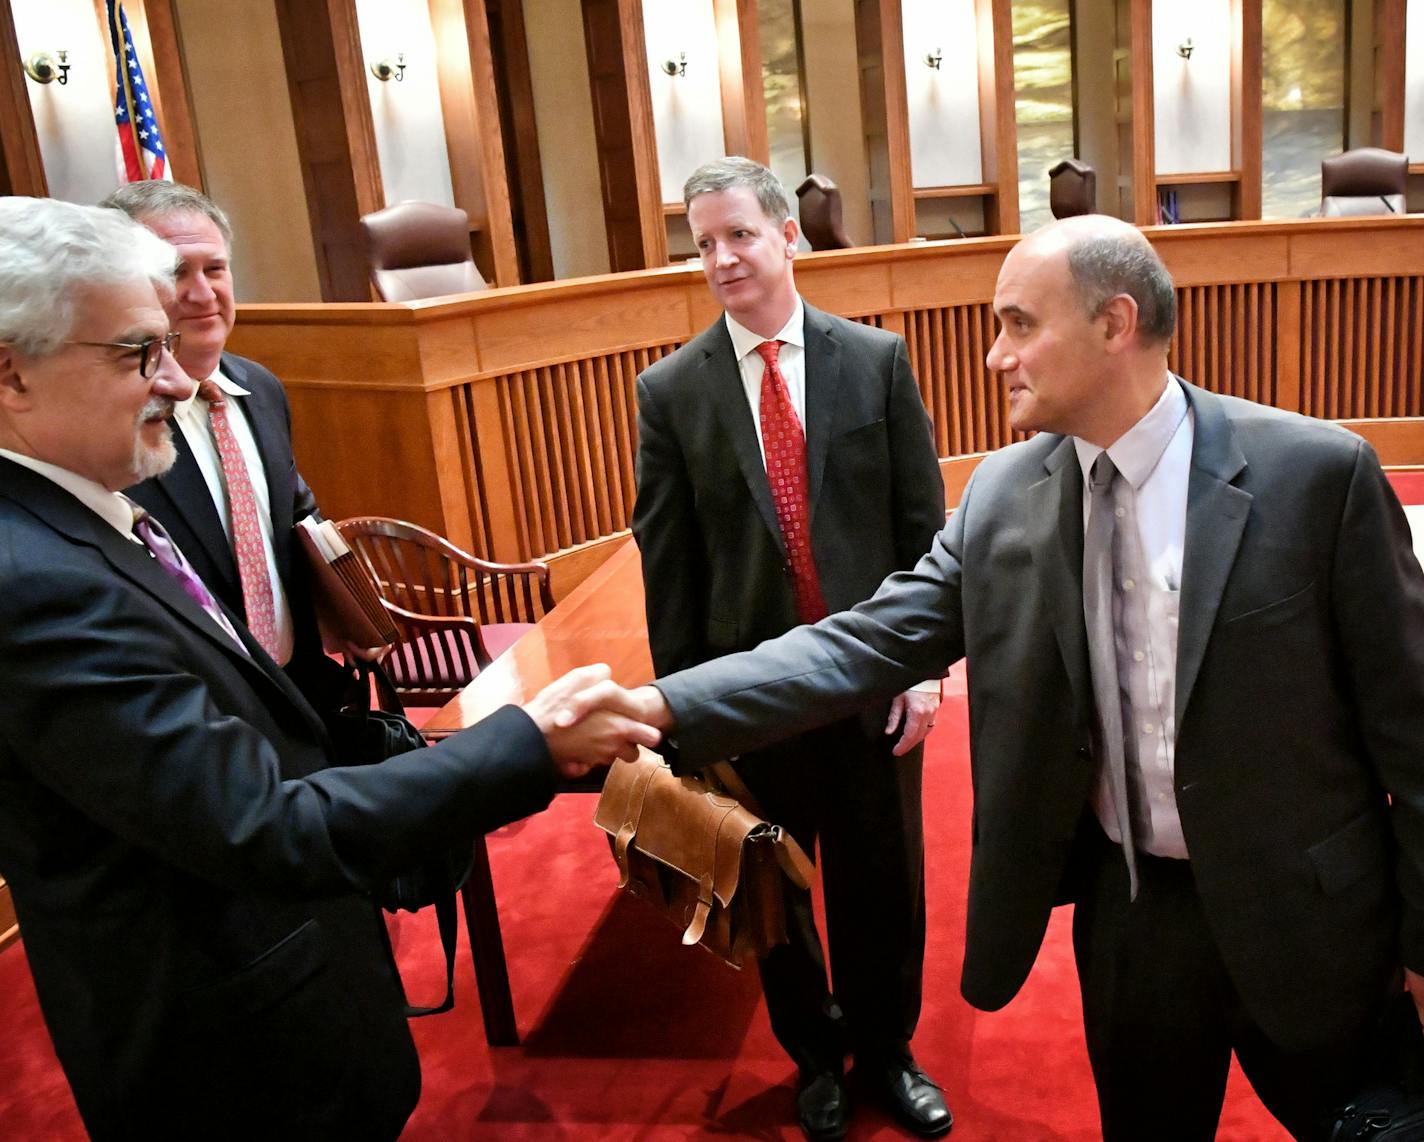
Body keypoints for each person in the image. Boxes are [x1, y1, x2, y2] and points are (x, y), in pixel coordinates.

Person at [569, 214, 1424, 1142]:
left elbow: (1415, 736)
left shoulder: (1318, 476)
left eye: (1019, 324)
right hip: (1134, 915)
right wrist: (663, 703)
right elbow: (859, 644)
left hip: (1312, 917)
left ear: (1114, 323)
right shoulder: (1004, 496)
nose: (993, 355)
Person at [0, 197, 659, 1141]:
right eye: (135, 353)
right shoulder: (30, 583)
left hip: (288, 981)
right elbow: (257, 822)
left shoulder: (87, 516)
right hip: (228, 1060)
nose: (178, 385)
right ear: (10, 375)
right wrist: (526, 741)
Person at [632, 156, 950, 1141]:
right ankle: (812, 1055)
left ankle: (887, 1052)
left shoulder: (874, 360)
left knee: (881, 887)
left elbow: (921, 530)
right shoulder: (669, 391)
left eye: (738, 235)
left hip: (870, 688)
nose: (721, 258)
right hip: (748, 698)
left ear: (787, 236)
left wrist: (927, 667)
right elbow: (668, 562)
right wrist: (681, 714)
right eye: (703, 244)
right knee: (766, 890)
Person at [100, 181, 362, 705]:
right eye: (175, 273)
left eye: (214, 269)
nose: (202, 294)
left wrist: (353, 613)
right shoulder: (113, 417)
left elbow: (291, 517)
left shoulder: (260, 387)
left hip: (301, 691)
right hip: (202, 709)